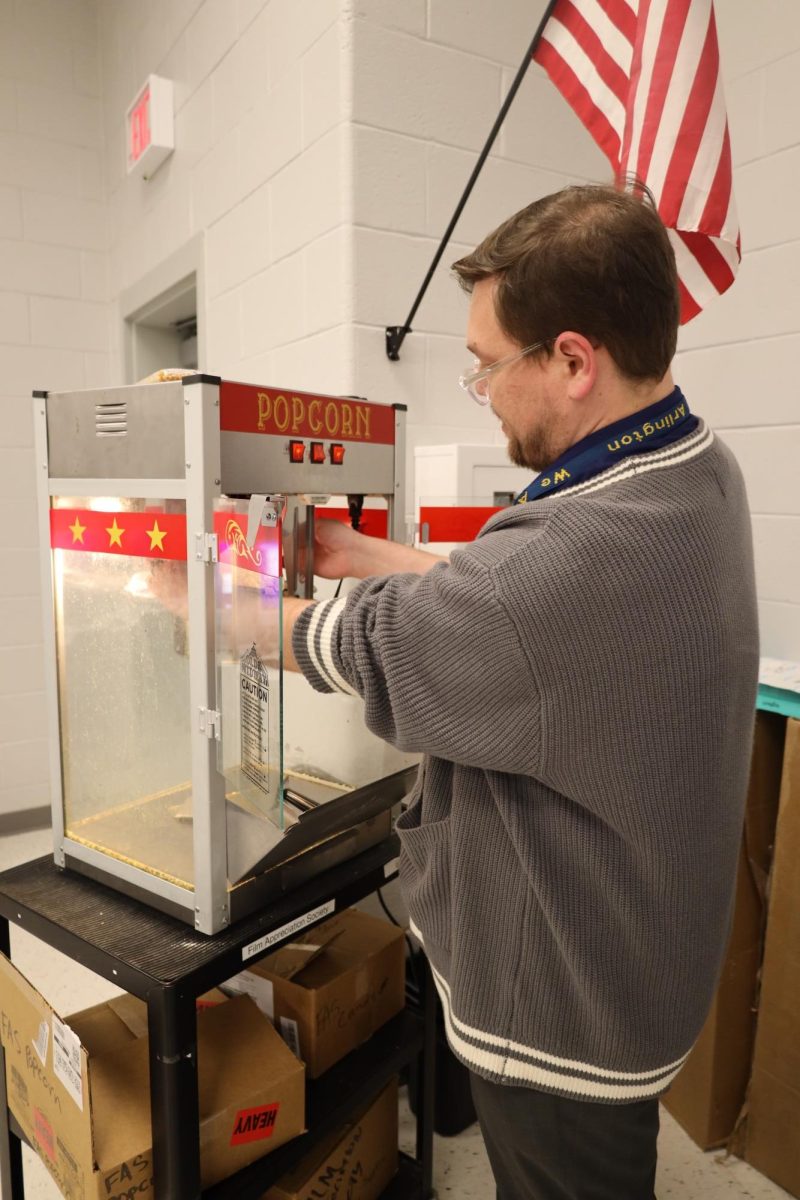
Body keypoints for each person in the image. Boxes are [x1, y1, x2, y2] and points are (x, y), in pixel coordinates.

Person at [281, 181, 759, 1200]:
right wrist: (371, 550)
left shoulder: (572, 555)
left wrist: (199, 609)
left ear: (573, 360)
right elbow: (523, 621)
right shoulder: (692, 470)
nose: (484, 390)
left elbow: (412, 638)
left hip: (557, 1007)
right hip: (634, 961)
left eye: (487, 367)